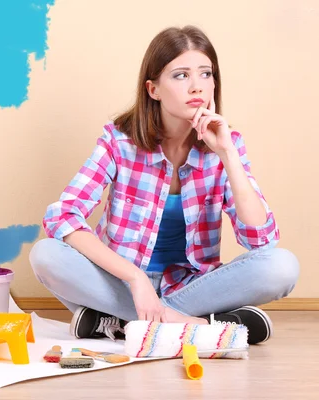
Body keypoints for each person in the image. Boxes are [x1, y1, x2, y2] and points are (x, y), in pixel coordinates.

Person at [29, 25, 300, 345]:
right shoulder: (118, 141)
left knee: (282, 266)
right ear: (153, 89)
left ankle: (119, 321)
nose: (197, 86)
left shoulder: (227, 146)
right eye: (181, 75)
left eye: (206, 74)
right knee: (46, 254)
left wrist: (227, 154)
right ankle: (195, 326)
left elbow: (261, 239)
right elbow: (63, 216)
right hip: (122, 284)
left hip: (192, 288)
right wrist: (135, 277)